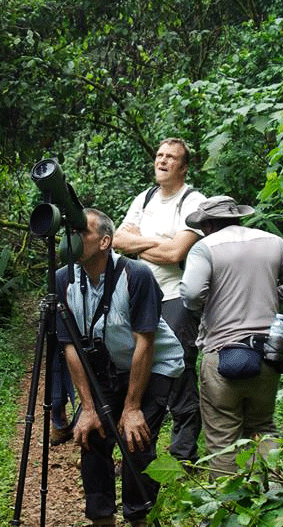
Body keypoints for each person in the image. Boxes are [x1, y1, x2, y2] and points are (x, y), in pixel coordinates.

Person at [57, 208, 184, 527]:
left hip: (154, 366)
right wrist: (87, 408)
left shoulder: (136, 275)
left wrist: (131, 408)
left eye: (82, 232)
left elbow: (146, 343)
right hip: (108, 367)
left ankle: (139, 516)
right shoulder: (63, 279)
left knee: (135, 438)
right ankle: (102, 519)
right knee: (92, 435)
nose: (74, 238)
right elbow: (69, 345)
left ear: (104, 242)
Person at [180, 196, 283, 476]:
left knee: (222, 439)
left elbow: (192, 293)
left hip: (222, 356)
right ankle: (278, 501)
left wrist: (207, 303)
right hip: (268, 353)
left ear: (207, 224)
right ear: (237, 217)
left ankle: (227, 510)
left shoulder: (204, 247)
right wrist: (274, 295)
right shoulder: (272, 242)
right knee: (264, 427)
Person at [112, 137, 206, 463]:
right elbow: (118, 240)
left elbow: (175, 253)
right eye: (159, 155)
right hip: (141, 296)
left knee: (178, 373)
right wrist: (156, 243)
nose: (162, 161)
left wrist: (139, 242)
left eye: (171, 157)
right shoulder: (145, 197)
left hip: (177, 294)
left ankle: (183, 455)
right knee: (140, 369)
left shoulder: (194, 202)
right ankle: (141, 451)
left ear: (183, 166)